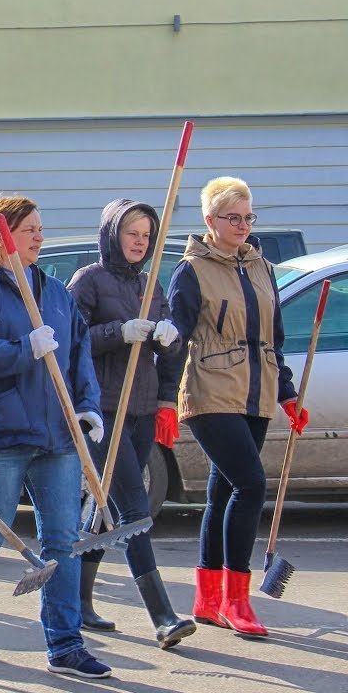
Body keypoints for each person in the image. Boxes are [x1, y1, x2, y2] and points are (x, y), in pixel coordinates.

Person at [0, 196, 111, 679]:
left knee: (62, 540)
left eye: (40, 228)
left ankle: (65, 643)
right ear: (1, 233)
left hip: (57, 436)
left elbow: (78, 355)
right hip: (0, 432)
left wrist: (88, 405)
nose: (38, 236)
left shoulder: (53, 292)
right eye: (28, 229)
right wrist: (22, 349)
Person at [163, 177, 302, 638]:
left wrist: (287, 393)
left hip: (255, 392)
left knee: (223, 493)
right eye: (233, 217)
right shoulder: (191, 270)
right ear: (210, 221)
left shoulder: (261, 264)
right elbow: (177, 338)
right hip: (209, 391)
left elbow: (273, 336)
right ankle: (237, 603)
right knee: (250, 484)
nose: (242, 225)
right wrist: (165, 398)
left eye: (247, 217)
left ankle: (207, 599)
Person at [67, 199, 196, 648]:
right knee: (134, 509)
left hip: (140, 407)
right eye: (131, 233)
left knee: (108, 506)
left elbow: (167, 350)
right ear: (112, 234)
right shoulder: (87, 281)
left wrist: (168, 338)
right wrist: (117, 332)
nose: (140, 242)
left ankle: (78, 602)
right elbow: (70, 341)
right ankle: (162, 614)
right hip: (103, 410)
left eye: (146, 234)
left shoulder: (150, 282)